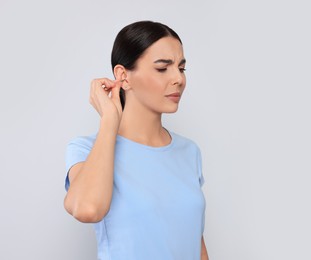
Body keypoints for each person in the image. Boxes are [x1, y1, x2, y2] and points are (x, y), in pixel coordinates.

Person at [63, 21, 209, 260]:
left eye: (181, 69)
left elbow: (196, 243)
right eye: (163, 68)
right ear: (123, 76)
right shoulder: (86, 149)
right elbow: (87, 209)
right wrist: (110, 120)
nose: (178, 79)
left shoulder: (189, 152)